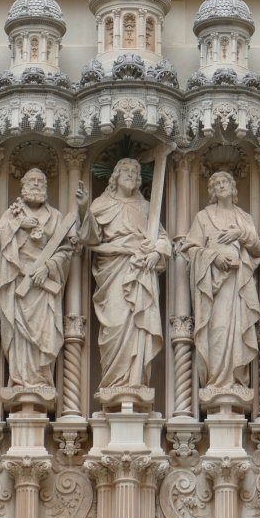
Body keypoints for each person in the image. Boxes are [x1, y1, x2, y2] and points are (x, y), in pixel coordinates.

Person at [76, 157, 171, 393]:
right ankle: (114, 382)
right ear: (115, 176)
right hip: (113, 269)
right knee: (115, 324)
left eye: (135, 171)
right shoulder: (102, 204)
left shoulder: (147, 207)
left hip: (140, 271)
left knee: (139, 325)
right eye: (125, 170)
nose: (130, 174)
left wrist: (157, 253)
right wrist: (84, 208)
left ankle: (135, 381)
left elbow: (163, 238)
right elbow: (90, 238)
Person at [180, 171, 260, 394]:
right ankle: (216, 381)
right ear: (211, 191)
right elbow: (189, 249)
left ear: (233, 186)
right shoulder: (203, 217)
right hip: (213, 286)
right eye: (215, 183)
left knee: (237, 332)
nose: (220, 185)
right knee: (218, 329)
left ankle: (236, 380)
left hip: (238, 285)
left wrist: (241, 234)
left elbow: (258, 249)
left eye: (224, 181)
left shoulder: (244, 218)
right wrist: (214, 257)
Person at [0, 168, 73, 390]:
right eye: (32, 181)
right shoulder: (12, 215)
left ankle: (41, 379)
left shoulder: (56, 217)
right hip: (18, 284)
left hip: (44, 288)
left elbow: (66, 250)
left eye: (40, 181)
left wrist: (48, 267)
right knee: (19, 334)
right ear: (23, 186)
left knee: (45, 335)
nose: (36, 184)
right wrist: (19, 225)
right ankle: (20, 378)